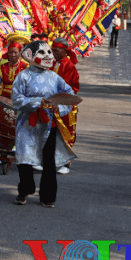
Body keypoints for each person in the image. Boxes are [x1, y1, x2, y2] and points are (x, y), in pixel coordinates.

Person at [12, 40, 76, 208]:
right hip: (27, 123)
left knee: (49, 162)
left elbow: (70, 96)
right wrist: (37, 102)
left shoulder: (54, 77)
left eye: (49, 52)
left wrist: (60, 106)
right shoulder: (23, 76)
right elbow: (16, 100)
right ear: (29, 56)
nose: (49, 56)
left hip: (49, 124)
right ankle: (25, 189)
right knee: (24, 159)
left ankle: (47, 196)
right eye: (43, 53)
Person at [51, 37, 79, 175]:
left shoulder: (69, 66)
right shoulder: (53, 63)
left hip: (65, 104)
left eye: (55, 50)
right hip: (52, 104)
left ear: (64, 51)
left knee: (65, 133)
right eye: (52, 50)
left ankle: (66, 163)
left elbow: (66, 87)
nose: (53, 53)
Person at [0, 35, 28, 99]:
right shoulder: (3, 66)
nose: (13, 55)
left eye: (15, 52)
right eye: (11, 52)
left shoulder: (25, 66)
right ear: (8, 53)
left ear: (19, 53)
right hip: (4, 96)